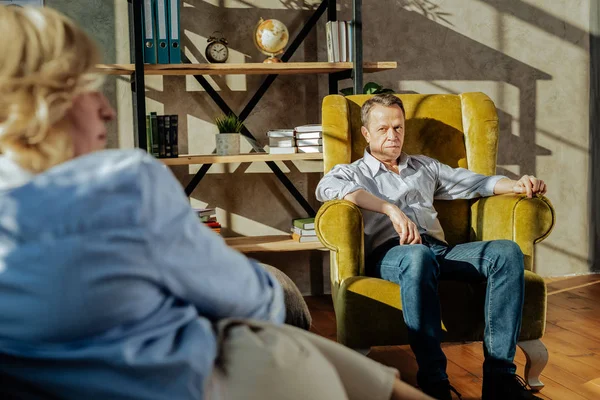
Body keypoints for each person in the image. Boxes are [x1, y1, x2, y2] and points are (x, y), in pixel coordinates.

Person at [0, 6, 434, 400]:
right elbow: (250, 298)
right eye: (86, 88)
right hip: (220, 376)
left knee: (365, 376)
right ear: (41, 103)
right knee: (283, 304)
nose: (107, 110)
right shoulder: (123, 181)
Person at [316, 94, 547, 400]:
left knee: (506, 252)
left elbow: (478, 183)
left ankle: (500, 379)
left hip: (437, 250)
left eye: (398, 127)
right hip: (392, 254)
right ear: (366, 134)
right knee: (417, 256)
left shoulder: (424, 167)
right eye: (383, 129)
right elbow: (326, 189)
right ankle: (434, 378)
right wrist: (389, 209)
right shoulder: (352, 172)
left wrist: (519, 184)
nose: (392, 135)